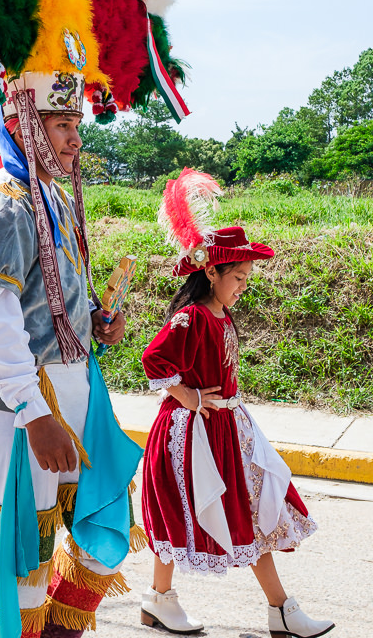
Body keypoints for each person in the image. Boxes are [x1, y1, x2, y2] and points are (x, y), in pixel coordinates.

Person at [0, 70, 144, 638]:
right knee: (26, 555)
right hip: (25, 406)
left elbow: (46, 297)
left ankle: (58, 632)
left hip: (76, 391)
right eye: (60, 124)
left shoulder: (51, 193)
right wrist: (35, 414)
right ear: (20, 126)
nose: (75, 139)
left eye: (77, 124)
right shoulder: (4, 205)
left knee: (106, 529)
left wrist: (96, 321)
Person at [139, 168, 334, 638]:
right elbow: (154, 358)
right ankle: (273, 610)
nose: (243, 284)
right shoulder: (191, 317)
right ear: (212, 271)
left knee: (251, 511)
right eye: (238, 276)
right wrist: (184, 393)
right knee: (200, 513)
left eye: (247, 276)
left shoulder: (221, 315)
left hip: (227, 427)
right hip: (194, 431)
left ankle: (166, 602)